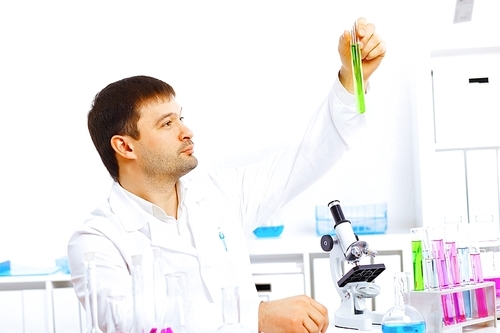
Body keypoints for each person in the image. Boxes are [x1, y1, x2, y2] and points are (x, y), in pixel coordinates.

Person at [68, 17, 386, 333]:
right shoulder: (97, 241)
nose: (187, 132)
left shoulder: (218, 195)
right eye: (167, 124)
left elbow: (307, 157)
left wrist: (351, 78)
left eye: (181, 118)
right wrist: (256, 318)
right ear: (125, 146)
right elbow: (135, 326)